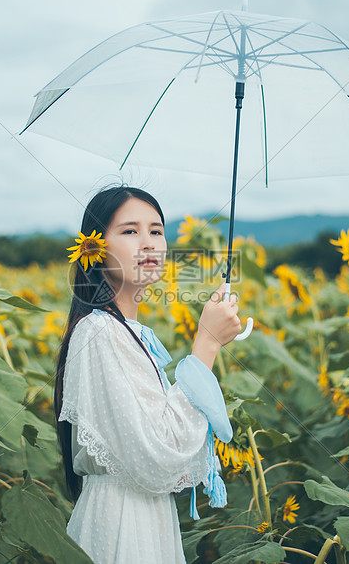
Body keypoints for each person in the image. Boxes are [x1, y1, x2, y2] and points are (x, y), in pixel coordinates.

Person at [54, 185, 242, 563]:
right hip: (123, 524)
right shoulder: (99, 332)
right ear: (94, 248)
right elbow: (157, 454)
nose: (148, 243)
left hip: (144, 515)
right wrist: (206, 344)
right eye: (129, 231)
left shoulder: (127, 332)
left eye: (156, 231)